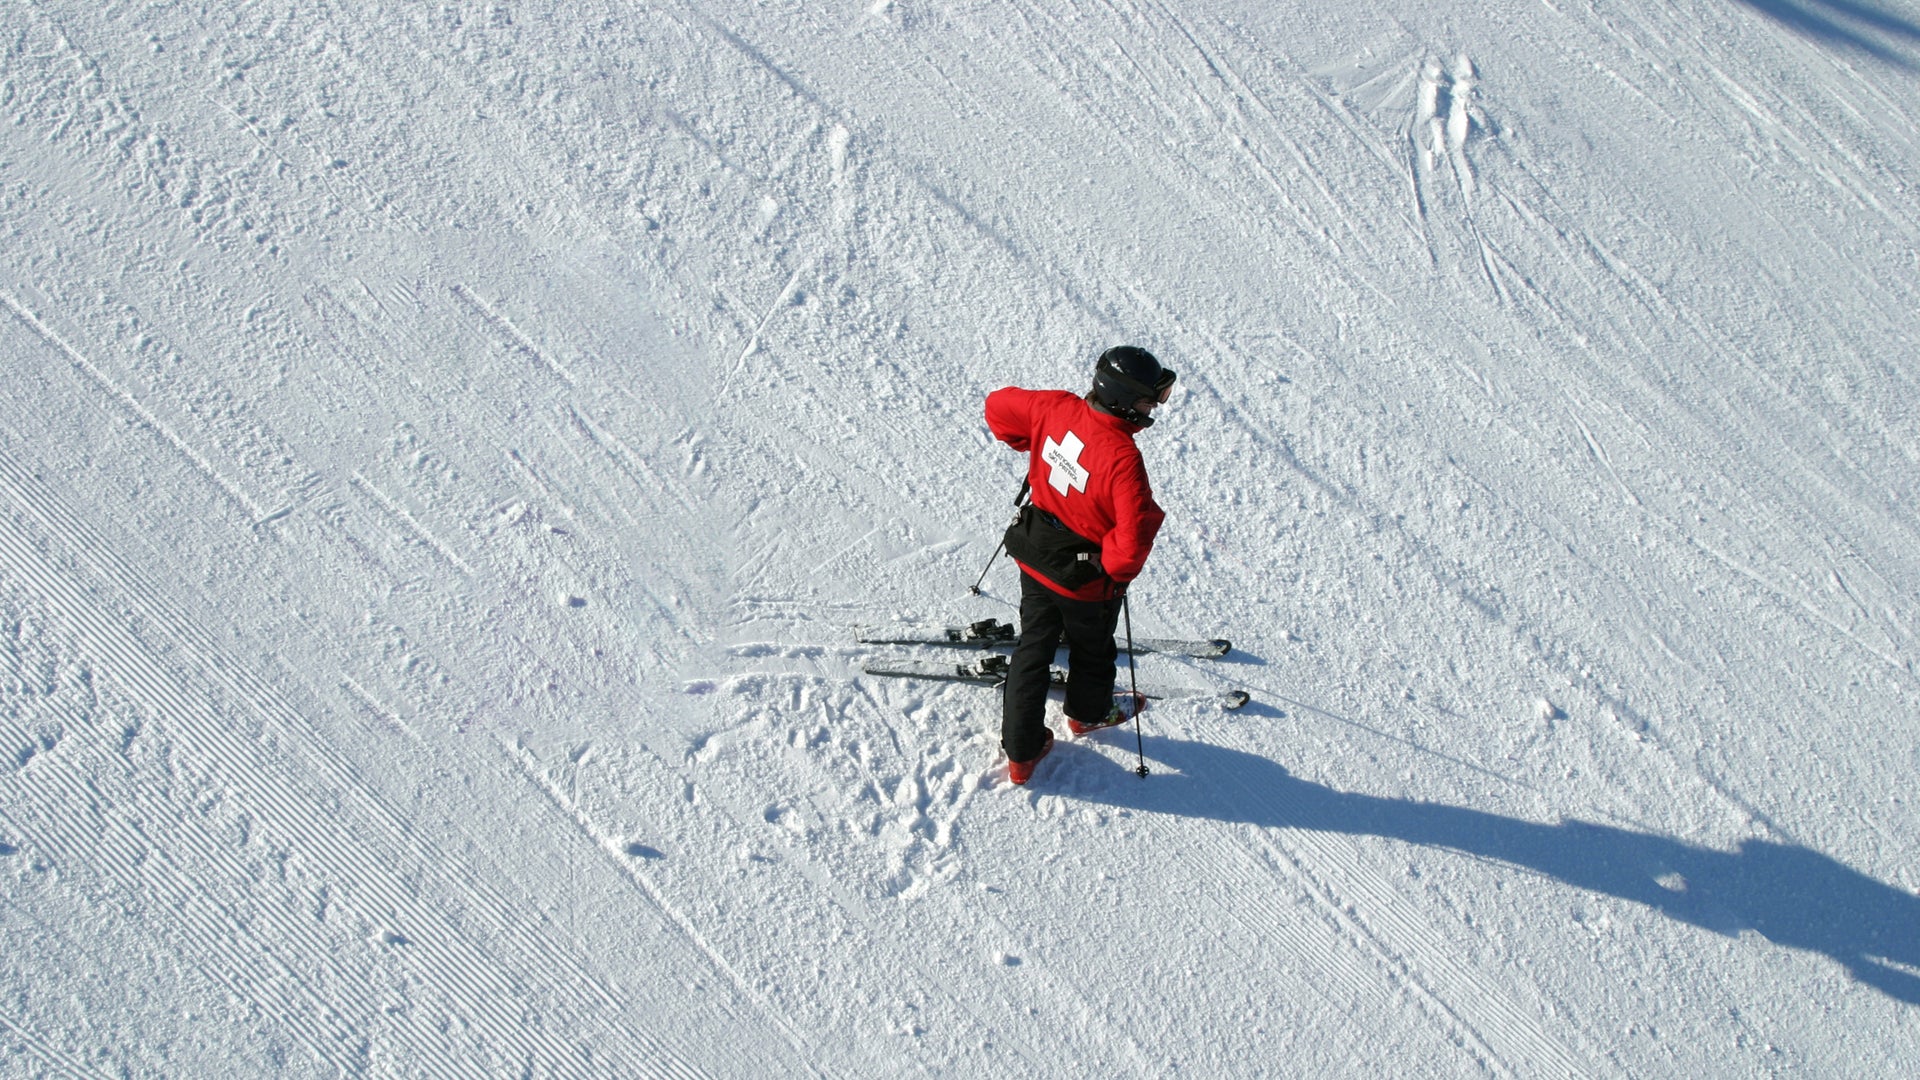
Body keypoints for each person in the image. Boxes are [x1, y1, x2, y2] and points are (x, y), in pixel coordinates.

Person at [983, 346, 1172, 784]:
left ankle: (1021, 754)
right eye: (1150, 399)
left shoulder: (1056, 407)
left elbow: (998, 407)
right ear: (1124, 398)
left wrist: (1026, 440)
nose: (1154, 407)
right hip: (1083, 577)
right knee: (1093, 646)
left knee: (1035, 643)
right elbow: (1130, 545)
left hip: (1035, 551)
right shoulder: (1123, 458)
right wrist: (1113, 575)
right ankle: (1087, 714)